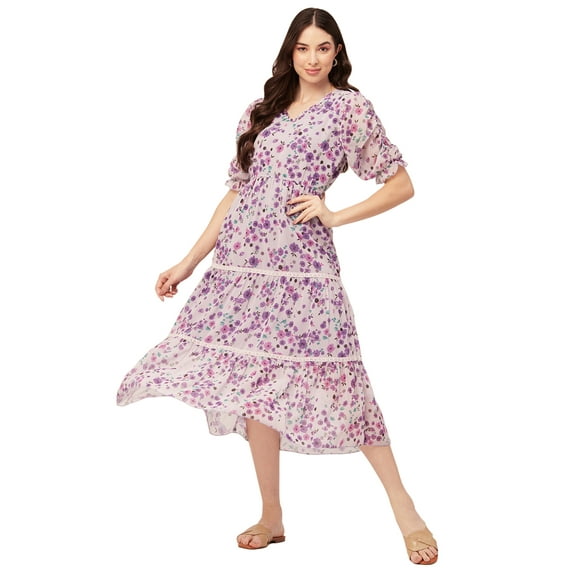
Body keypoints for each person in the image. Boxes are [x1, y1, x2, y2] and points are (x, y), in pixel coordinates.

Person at [116, 7, 438, 565]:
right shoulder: (259, 111)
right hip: (241, 268)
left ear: (337, 52)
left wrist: (335, 215)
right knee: (254, 384)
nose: (313, 58)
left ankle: (406, 510)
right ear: (290, 52)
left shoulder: (350, 108)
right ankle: (271, 515)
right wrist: (188, 261)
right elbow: (237, 193)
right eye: (303, 48)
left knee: (342, 380)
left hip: (303, 270)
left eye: (323, 47)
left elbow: (401, 184)